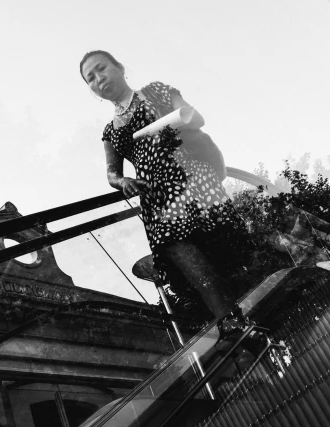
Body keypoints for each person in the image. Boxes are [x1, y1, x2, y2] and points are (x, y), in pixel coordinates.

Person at [79, 50, 253, 334]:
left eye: (102, 69)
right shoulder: (110, 130)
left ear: (120, 67)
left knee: (225, 250)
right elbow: (112, 173)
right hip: (157, 197)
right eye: (91, 78)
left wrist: (167, 124)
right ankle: (231, 322)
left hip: (191, 180)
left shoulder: (155, 91)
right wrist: (122, 182)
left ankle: (257, 312)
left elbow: (196, 118)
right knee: (182, 252)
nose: (99, 79)